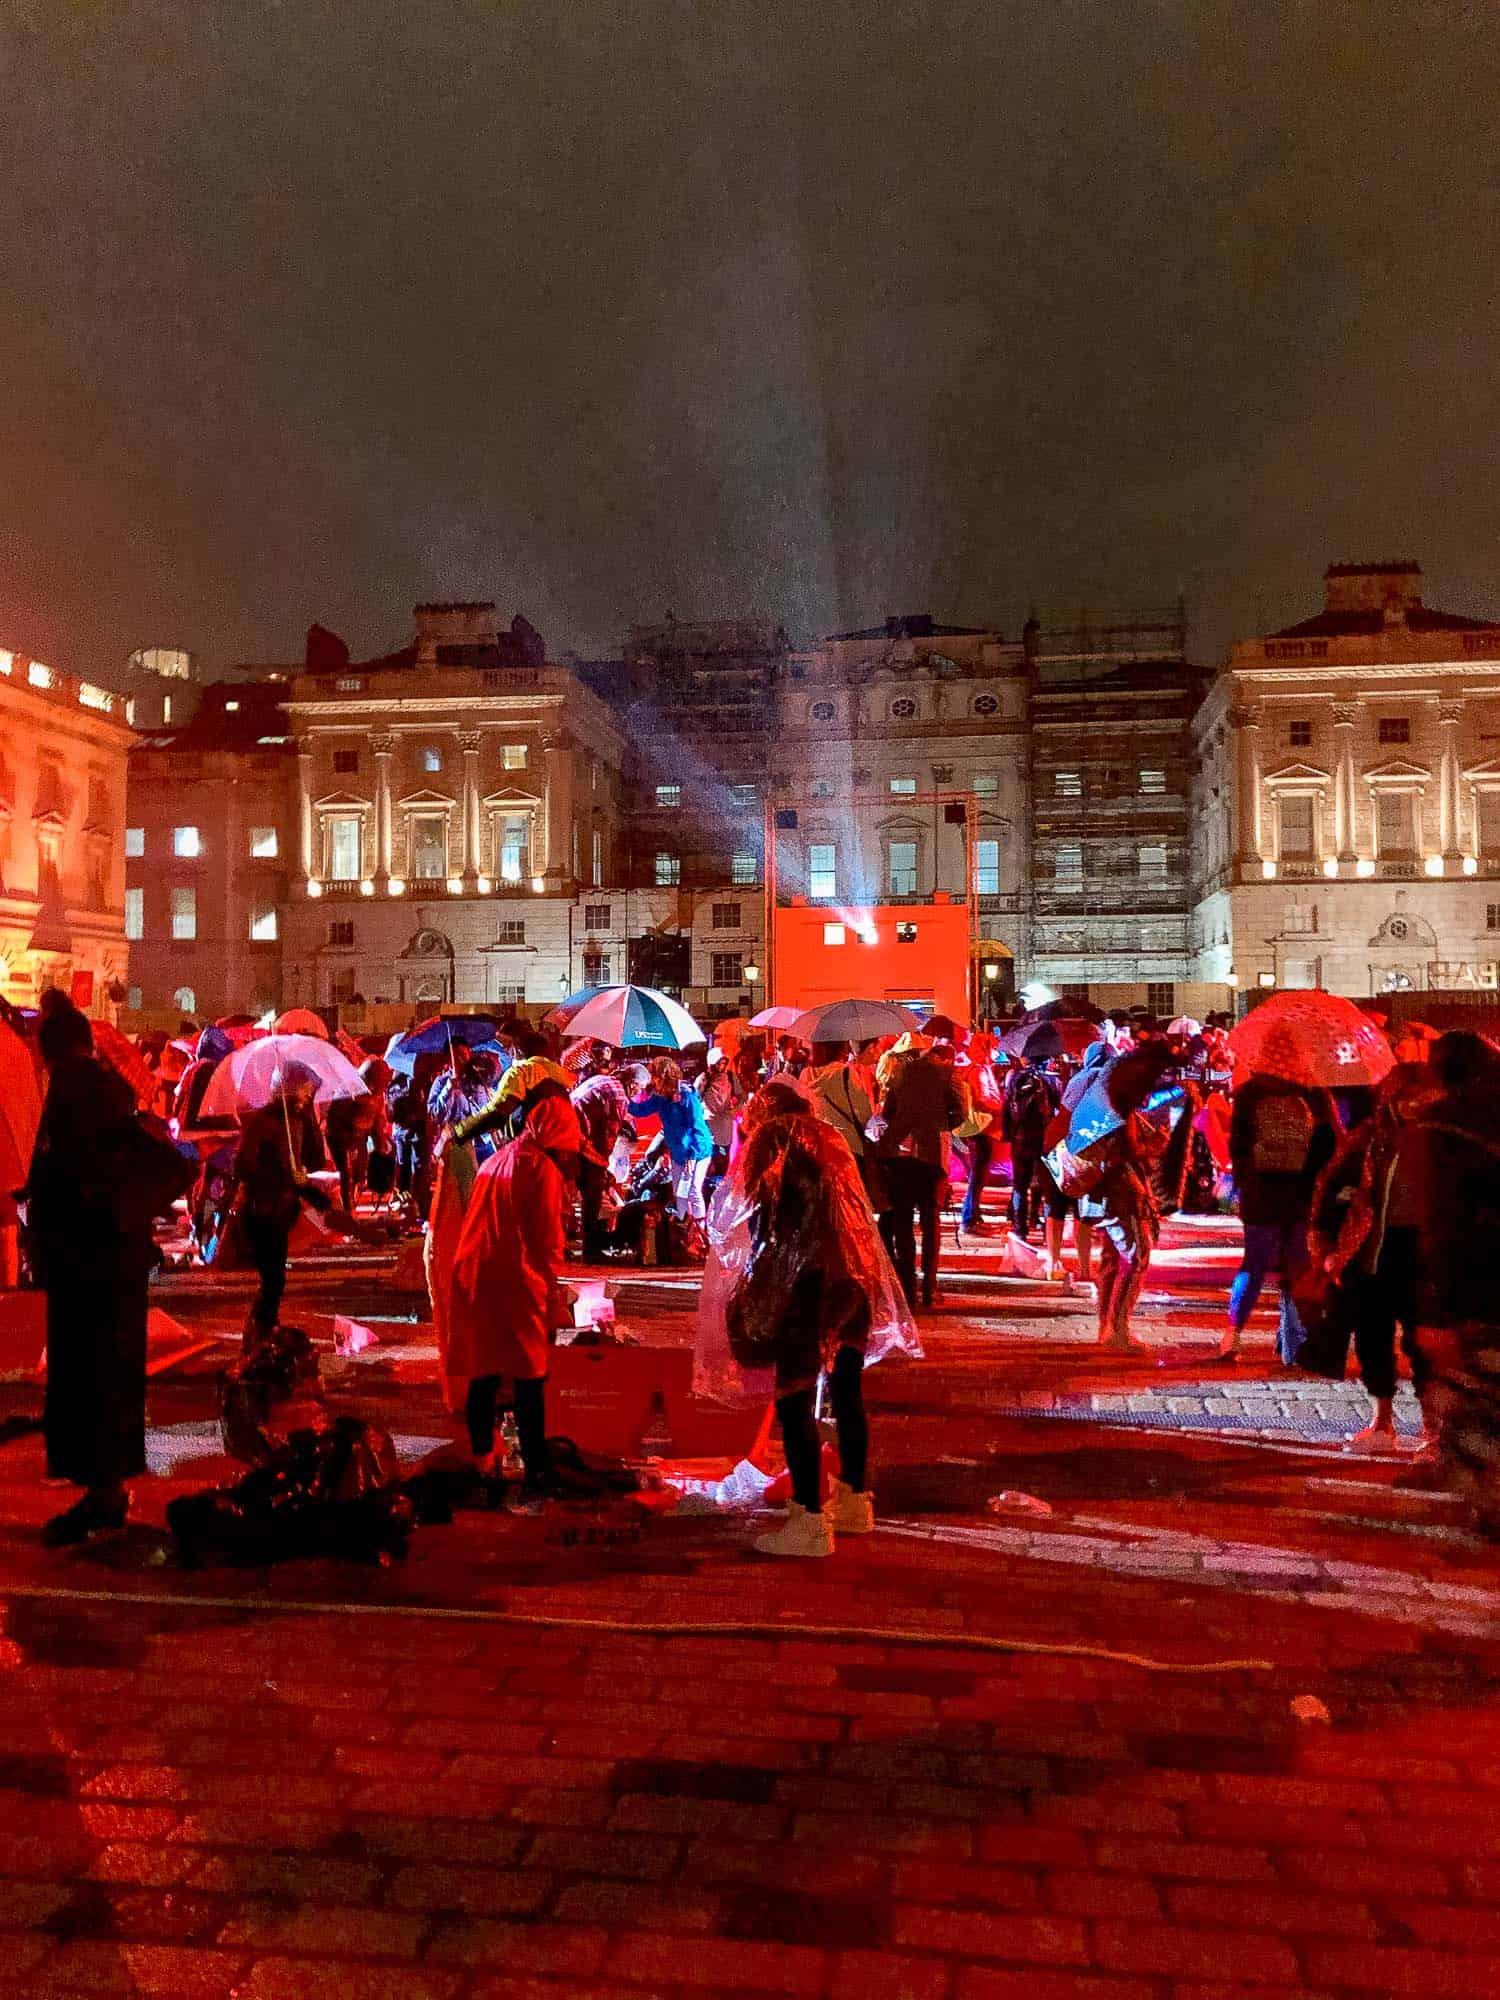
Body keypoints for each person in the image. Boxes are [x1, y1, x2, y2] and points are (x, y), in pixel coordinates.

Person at [702, 1101, 919, 1557]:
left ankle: (809, 1520)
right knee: (847, 1393)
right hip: (852, 1287)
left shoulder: (781, 1173)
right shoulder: (829, 1154)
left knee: (794, 1403)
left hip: (811, 1293)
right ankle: (855, 1499)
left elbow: (769, 1248)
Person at [22, 999, 161, 1546]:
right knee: (112, 1373)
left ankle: (102, 1491)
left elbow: (65, 1174)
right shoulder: (106, 1086)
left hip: (88, 1260)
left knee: (88, 1375)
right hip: (115, 1256)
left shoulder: (71, 1092)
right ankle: (107, 1486)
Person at [447, 1095, 586, 1506]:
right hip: (515, 1278)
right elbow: (546, 1238)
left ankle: (482, 1456)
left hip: (475, 1274)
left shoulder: (498, 1158)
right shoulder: (540, 1168)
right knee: (529, 1376)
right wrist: (555, 1290)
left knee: (484, 1369)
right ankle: (535, 1463)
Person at [1386, 1032, 1500, 1526]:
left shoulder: (1435, 1132)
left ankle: (1487, 1494)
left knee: (1466, 1392)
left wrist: (1432, 1309)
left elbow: (1433, 1227)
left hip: (1469, 1287)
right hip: (1478, 1285)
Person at [1308, 1064, 1440, 1453]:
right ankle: (1382, 1422)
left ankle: (1433, 1428)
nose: (1415, 1106)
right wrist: (1328, 1250)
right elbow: (1329, 1189)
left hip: (1424, 1251)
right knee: (1373, 1339)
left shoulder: (1442, 1141)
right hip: (1372, 1251)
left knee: (1424, 1345)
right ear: (1391, 1099)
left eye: (1423, 1098)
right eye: (1408, 1098)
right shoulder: (1368, 1139)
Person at [1222, 1065, 1339, 1360]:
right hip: (1301, 1190)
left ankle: (1233, 1336)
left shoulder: (1250, 1092)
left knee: (1254, 1264)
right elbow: (1332, 1140)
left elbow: (1238, 1144)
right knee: (1297, 1266)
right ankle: (1295, 1342)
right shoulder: (1313, 1091)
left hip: (1261, 1189)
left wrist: (1243, 1183)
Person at [228, 1062, 330, 1339]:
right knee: (273, 1279)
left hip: (282, 1209)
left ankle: (264, 1327)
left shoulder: (297, 1121)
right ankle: (259, 1329)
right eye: (305, 1091)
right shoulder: (264, 1121)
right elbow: (243, 1165)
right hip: (261, 1209)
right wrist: (276, 1171)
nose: (308, 1097)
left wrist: (310, 1127)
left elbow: (311, 1161)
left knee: (276, 1279)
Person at [877, 1039, 966, 1309]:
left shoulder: (900, 1073)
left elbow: (888, 1112)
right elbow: (960, 1113)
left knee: (903, 1221)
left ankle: (907, 1284)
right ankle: (929, 1286)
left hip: (900, 1153)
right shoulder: (949, 1074)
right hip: (932, 1155)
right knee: (930, 1219)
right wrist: (940, 1124)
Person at [628, 1057, 714, 1223]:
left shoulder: (686, 1095)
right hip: (678, 1151)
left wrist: (692, 1157)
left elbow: (695, 1126)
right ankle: (681, 1226)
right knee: (679, 1191)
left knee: (693, 1190)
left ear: (664, 1076)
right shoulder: (660, 1096)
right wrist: (625, 1098)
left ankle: (700, 1231)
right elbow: (642, 1110)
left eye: (654, 1076)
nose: (652, 1080)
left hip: (697, 1151)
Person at [571, 1065, 638, 1259]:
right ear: (633, 1084)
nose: (638, 1093)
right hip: (576, 1139)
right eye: (640, 1088)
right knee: (592, 1193)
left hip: (570, 1133)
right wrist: (601, 1164)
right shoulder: (619, 1095)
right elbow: (608, 1134)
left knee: (572, 1193)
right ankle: (591, 1249)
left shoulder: (604, 1080)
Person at [1001, 1059, 1058, 1240]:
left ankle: (1020, 1230)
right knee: (1047, 1188)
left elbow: (1007, 1107)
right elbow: (1060, 1110)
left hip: (1020, 1139)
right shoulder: (1051, 1080)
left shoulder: (1015, 1078)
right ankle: (1047, 1233)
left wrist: (1008, 1133)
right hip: (1044, 1140)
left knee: (1019, 1186)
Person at [957, 1032, 1004, 1234]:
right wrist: (1000, 1105)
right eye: (993, 1047)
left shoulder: (975, 1068)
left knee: (978, 1174)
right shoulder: (980, 1071)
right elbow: (983, 1098)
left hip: (979, 1128)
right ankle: (969, 1219)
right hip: (982, 1128)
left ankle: (973, 1215)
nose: (996, 1052)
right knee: (978, 1175)